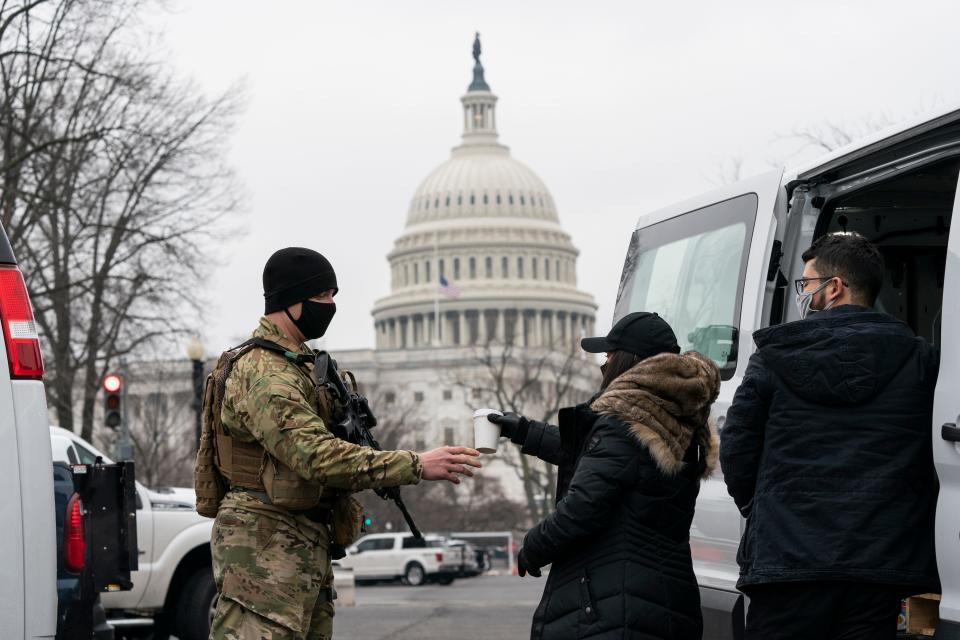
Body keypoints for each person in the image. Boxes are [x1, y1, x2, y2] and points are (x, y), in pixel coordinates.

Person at [207, 247, 482, 640]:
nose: (331, 305)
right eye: (321, 297)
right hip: (262, 552)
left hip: (300, 545)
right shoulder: (264, 373)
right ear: (290, 300)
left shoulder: (299, 364)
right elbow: (314, 455)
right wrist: (416, 464)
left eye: (333, 295)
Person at [720, 232, 940, 640]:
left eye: (806, 284)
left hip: (787, 561)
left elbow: (736, 449)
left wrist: (769, 510)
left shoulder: (773, 356)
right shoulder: (920, 358)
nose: (803, 293)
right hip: (878, 564)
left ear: (834, 287)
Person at [489, 311, 721, 639]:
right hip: (666, 594)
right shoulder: (676, 416)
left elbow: (582, 507)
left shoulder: (622, 423)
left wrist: (533, 547)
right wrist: (525, 431)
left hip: (611, 601)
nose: (605, 362)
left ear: (628, 361)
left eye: (610, 354)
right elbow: (604, 457)